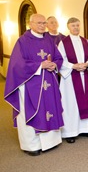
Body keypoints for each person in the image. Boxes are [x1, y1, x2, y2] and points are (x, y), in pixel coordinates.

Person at [4, 14, 64, 156]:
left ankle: (51, 142)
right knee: (32, 111)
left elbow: (58, 57)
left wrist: (54, 65)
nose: (42, 25)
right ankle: (32, 146)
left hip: (49, 82)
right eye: (39, 23)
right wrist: (39, 65)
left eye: (44, 23)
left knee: (50, 108)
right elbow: (17, 64)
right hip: (31, 84)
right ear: (30, 24)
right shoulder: (23, 41)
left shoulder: (49, 39)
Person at [58, 17, 88, 143]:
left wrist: (86, 64)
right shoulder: (63, 43)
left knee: (86, 102)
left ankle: (86, 129)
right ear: (68, 27)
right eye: (73, 25)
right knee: (71, 104)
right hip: (70, 79)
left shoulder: (85, 41)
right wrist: (73, 66)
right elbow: (60, 59)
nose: (76, 28)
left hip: (84, 76)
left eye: (77, 25)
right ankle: (70, 132)